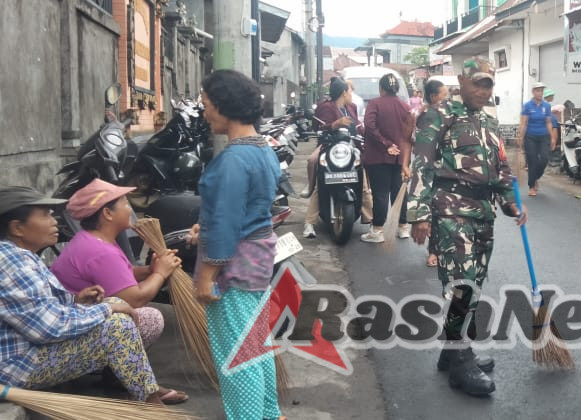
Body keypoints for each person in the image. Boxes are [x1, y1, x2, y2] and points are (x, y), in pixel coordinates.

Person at [406, 56, 527, 397]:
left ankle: (452, 352)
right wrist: (418, 215)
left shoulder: (488, 119)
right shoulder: (439, 115)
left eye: (489, 83)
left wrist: (510, 202)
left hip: (482, 212)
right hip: (450, 211)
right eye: (477, 82)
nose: (483, 89)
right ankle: (461, 363)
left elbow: (500, 168)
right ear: (461, 80)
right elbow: (422, 164)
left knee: (475, 282)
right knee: (463, 285)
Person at [0, 186, 169, 404]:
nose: (54, 221)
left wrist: (76, 301)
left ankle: (138, 385)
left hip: (31, 348)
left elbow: (38, 310)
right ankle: (152, 403)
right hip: (18, 366)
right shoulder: (13, 263)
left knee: (116, 305)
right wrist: (160, 274)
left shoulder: (20, 255)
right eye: (45, 215)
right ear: (17, 228)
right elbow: (49, 328)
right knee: (118, 326)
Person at [191, 69, 283, 420]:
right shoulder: (263, 150)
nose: (205, 113)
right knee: (256, 344)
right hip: (258, 262)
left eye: (206, 105)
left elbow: (226, 222)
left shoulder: (232, 159)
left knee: (237, 355)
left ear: (224, 107)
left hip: (235, 270)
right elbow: (248, 209)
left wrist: (206, 276)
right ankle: (268, 413)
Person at [50, 180, 181, 347]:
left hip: (79, 315)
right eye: (126, 204)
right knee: (151, 319)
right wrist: (160, 274)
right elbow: (135, 299)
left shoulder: (94, 239)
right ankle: (113, 364)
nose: (130, 210)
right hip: (74, 330)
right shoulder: (99, 252)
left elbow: (119, 276)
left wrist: (150, 270)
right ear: (107, 213)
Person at [360, 74, 415, 243]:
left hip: (378, 156)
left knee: (381, 193)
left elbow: (369, 126)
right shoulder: (406, 106)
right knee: (400, 192)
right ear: (397, 88)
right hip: (401, 158)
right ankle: (403, 227)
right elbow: (410, 134)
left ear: (381, 88)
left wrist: (386, 144)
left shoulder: (375, 104)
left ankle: (377, 231)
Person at [303, 78, 358, 238]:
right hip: (329, 147)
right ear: (343, 92)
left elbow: (359, 127)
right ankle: (309, 220)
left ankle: (373, 220)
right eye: (349, 91)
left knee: (363, 180)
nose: (351, 95)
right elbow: (319, 126)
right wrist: (334, 125)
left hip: (349, 148)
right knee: (315, 167)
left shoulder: (351, 108)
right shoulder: (326, 107)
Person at [410, 79, 449, 269]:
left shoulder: (446, 115)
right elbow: (420, 150)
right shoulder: (428, 116)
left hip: (444, 173)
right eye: (444, 95)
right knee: (433, 213)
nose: (447, 98)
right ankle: (433, 251)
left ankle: (437, 250)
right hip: (430, 172)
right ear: (434, 97)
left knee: (441, 214)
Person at [518, 82, 557, 196]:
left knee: (544, 159)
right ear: (533, 92)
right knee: (532, 160)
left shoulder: (546, 106)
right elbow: (523, 123)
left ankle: (535, 178)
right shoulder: (527, 105)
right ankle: (531, 186)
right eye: (538, 90)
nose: (540, 93)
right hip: (530, 136)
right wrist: (520, 137)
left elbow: (549, 122)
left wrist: (552, 138)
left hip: (544, 135)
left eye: (541, 90)